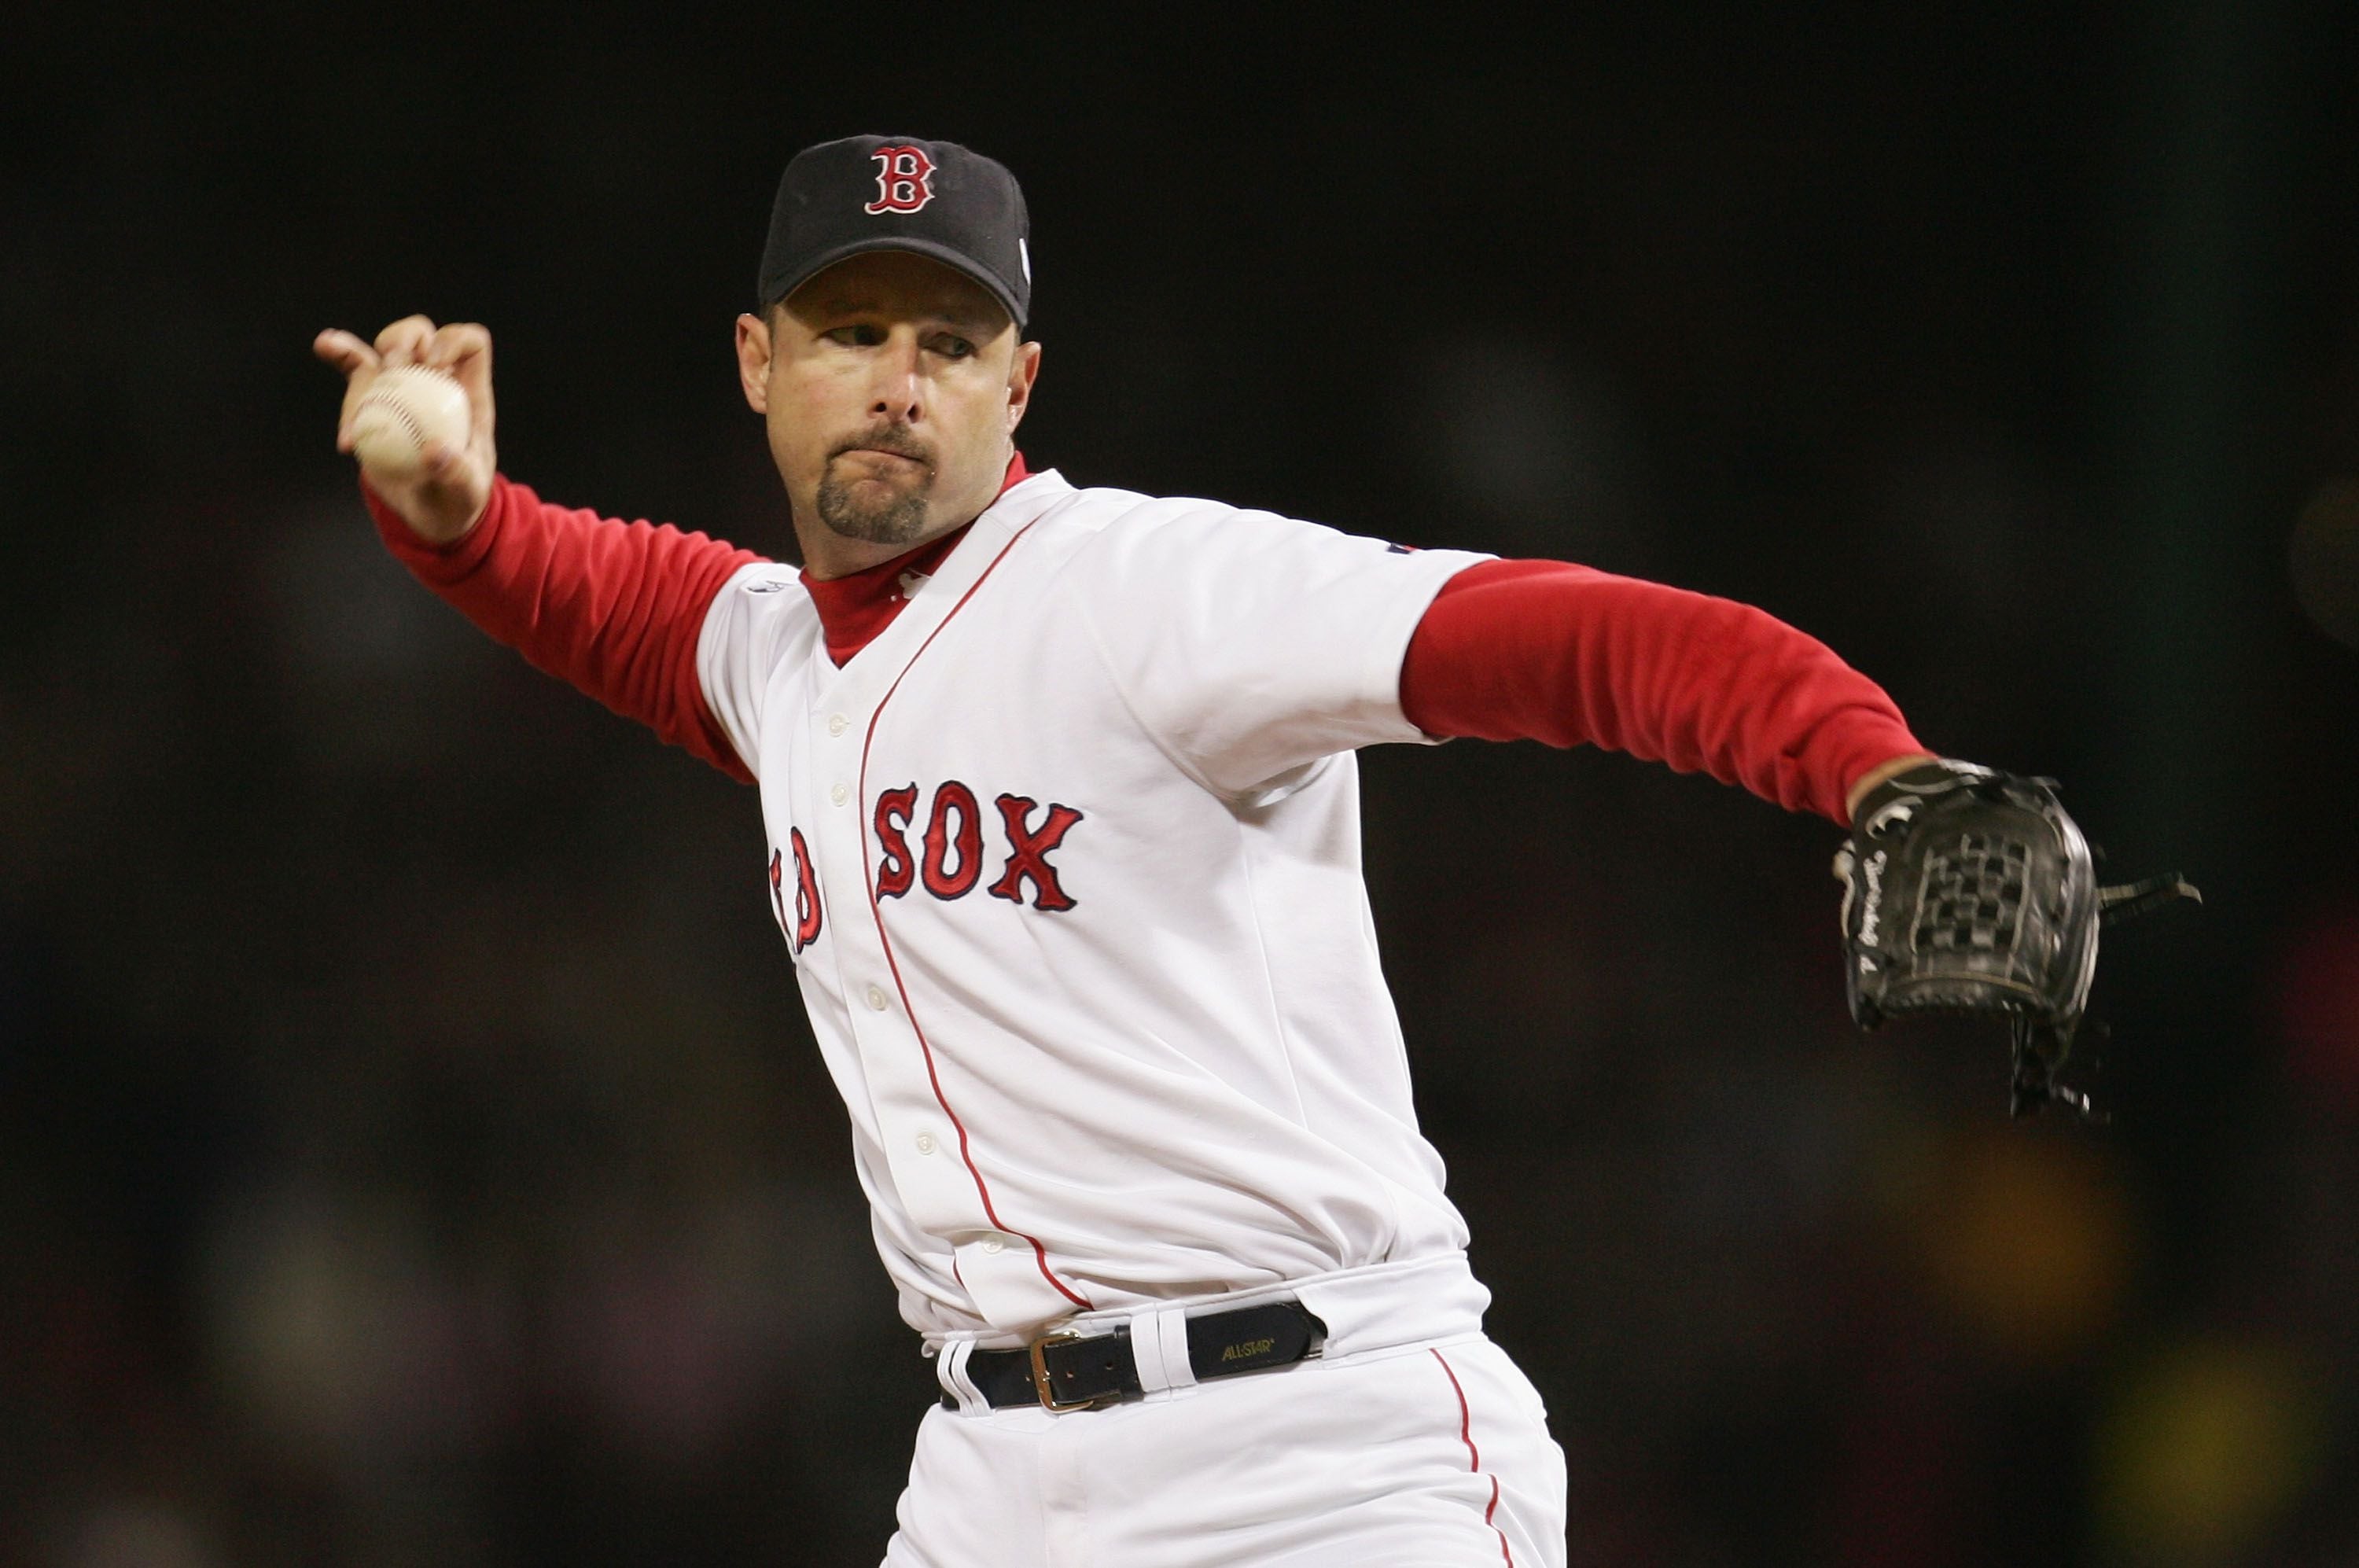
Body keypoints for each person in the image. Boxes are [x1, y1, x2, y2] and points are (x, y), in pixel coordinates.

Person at [315, 134, 1933, 1568]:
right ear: (758, 359)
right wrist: (454, 511)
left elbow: (1566, 638)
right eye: (853, 332)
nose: (899, 380)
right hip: (992, 1469)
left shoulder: (1147, 591)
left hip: (1320, 1458)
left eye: (951, 342)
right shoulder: (777, 657)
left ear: (1017, 386)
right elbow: (602, 596)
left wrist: (1873, 766)